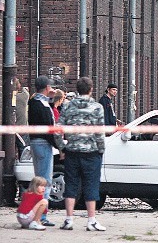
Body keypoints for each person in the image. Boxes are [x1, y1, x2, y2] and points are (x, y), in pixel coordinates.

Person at [58, 77, 107, 231]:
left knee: (71, 184)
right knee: (91, 184)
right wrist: (101, 149)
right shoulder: (97, 107)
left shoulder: (67, 107)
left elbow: (58, 129)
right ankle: (91, 220)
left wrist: (61, 147)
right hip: (91, 152)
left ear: (77, 89)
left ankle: (69, 219)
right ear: (91, 89)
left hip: (72, 151)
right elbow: (100, 132)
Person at [27, 75, 57, 227]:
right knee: (45, 180)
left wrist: (51, 99)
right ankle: (41, 215)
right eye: (50, 87)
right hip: (43, 143)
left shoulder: (34, 102)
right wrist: (59, 146)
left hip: (36, 142)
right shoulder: (41, 104)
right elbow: (48, 126)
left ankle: (34, 211)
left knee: (39, 178)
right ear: (46, 87)